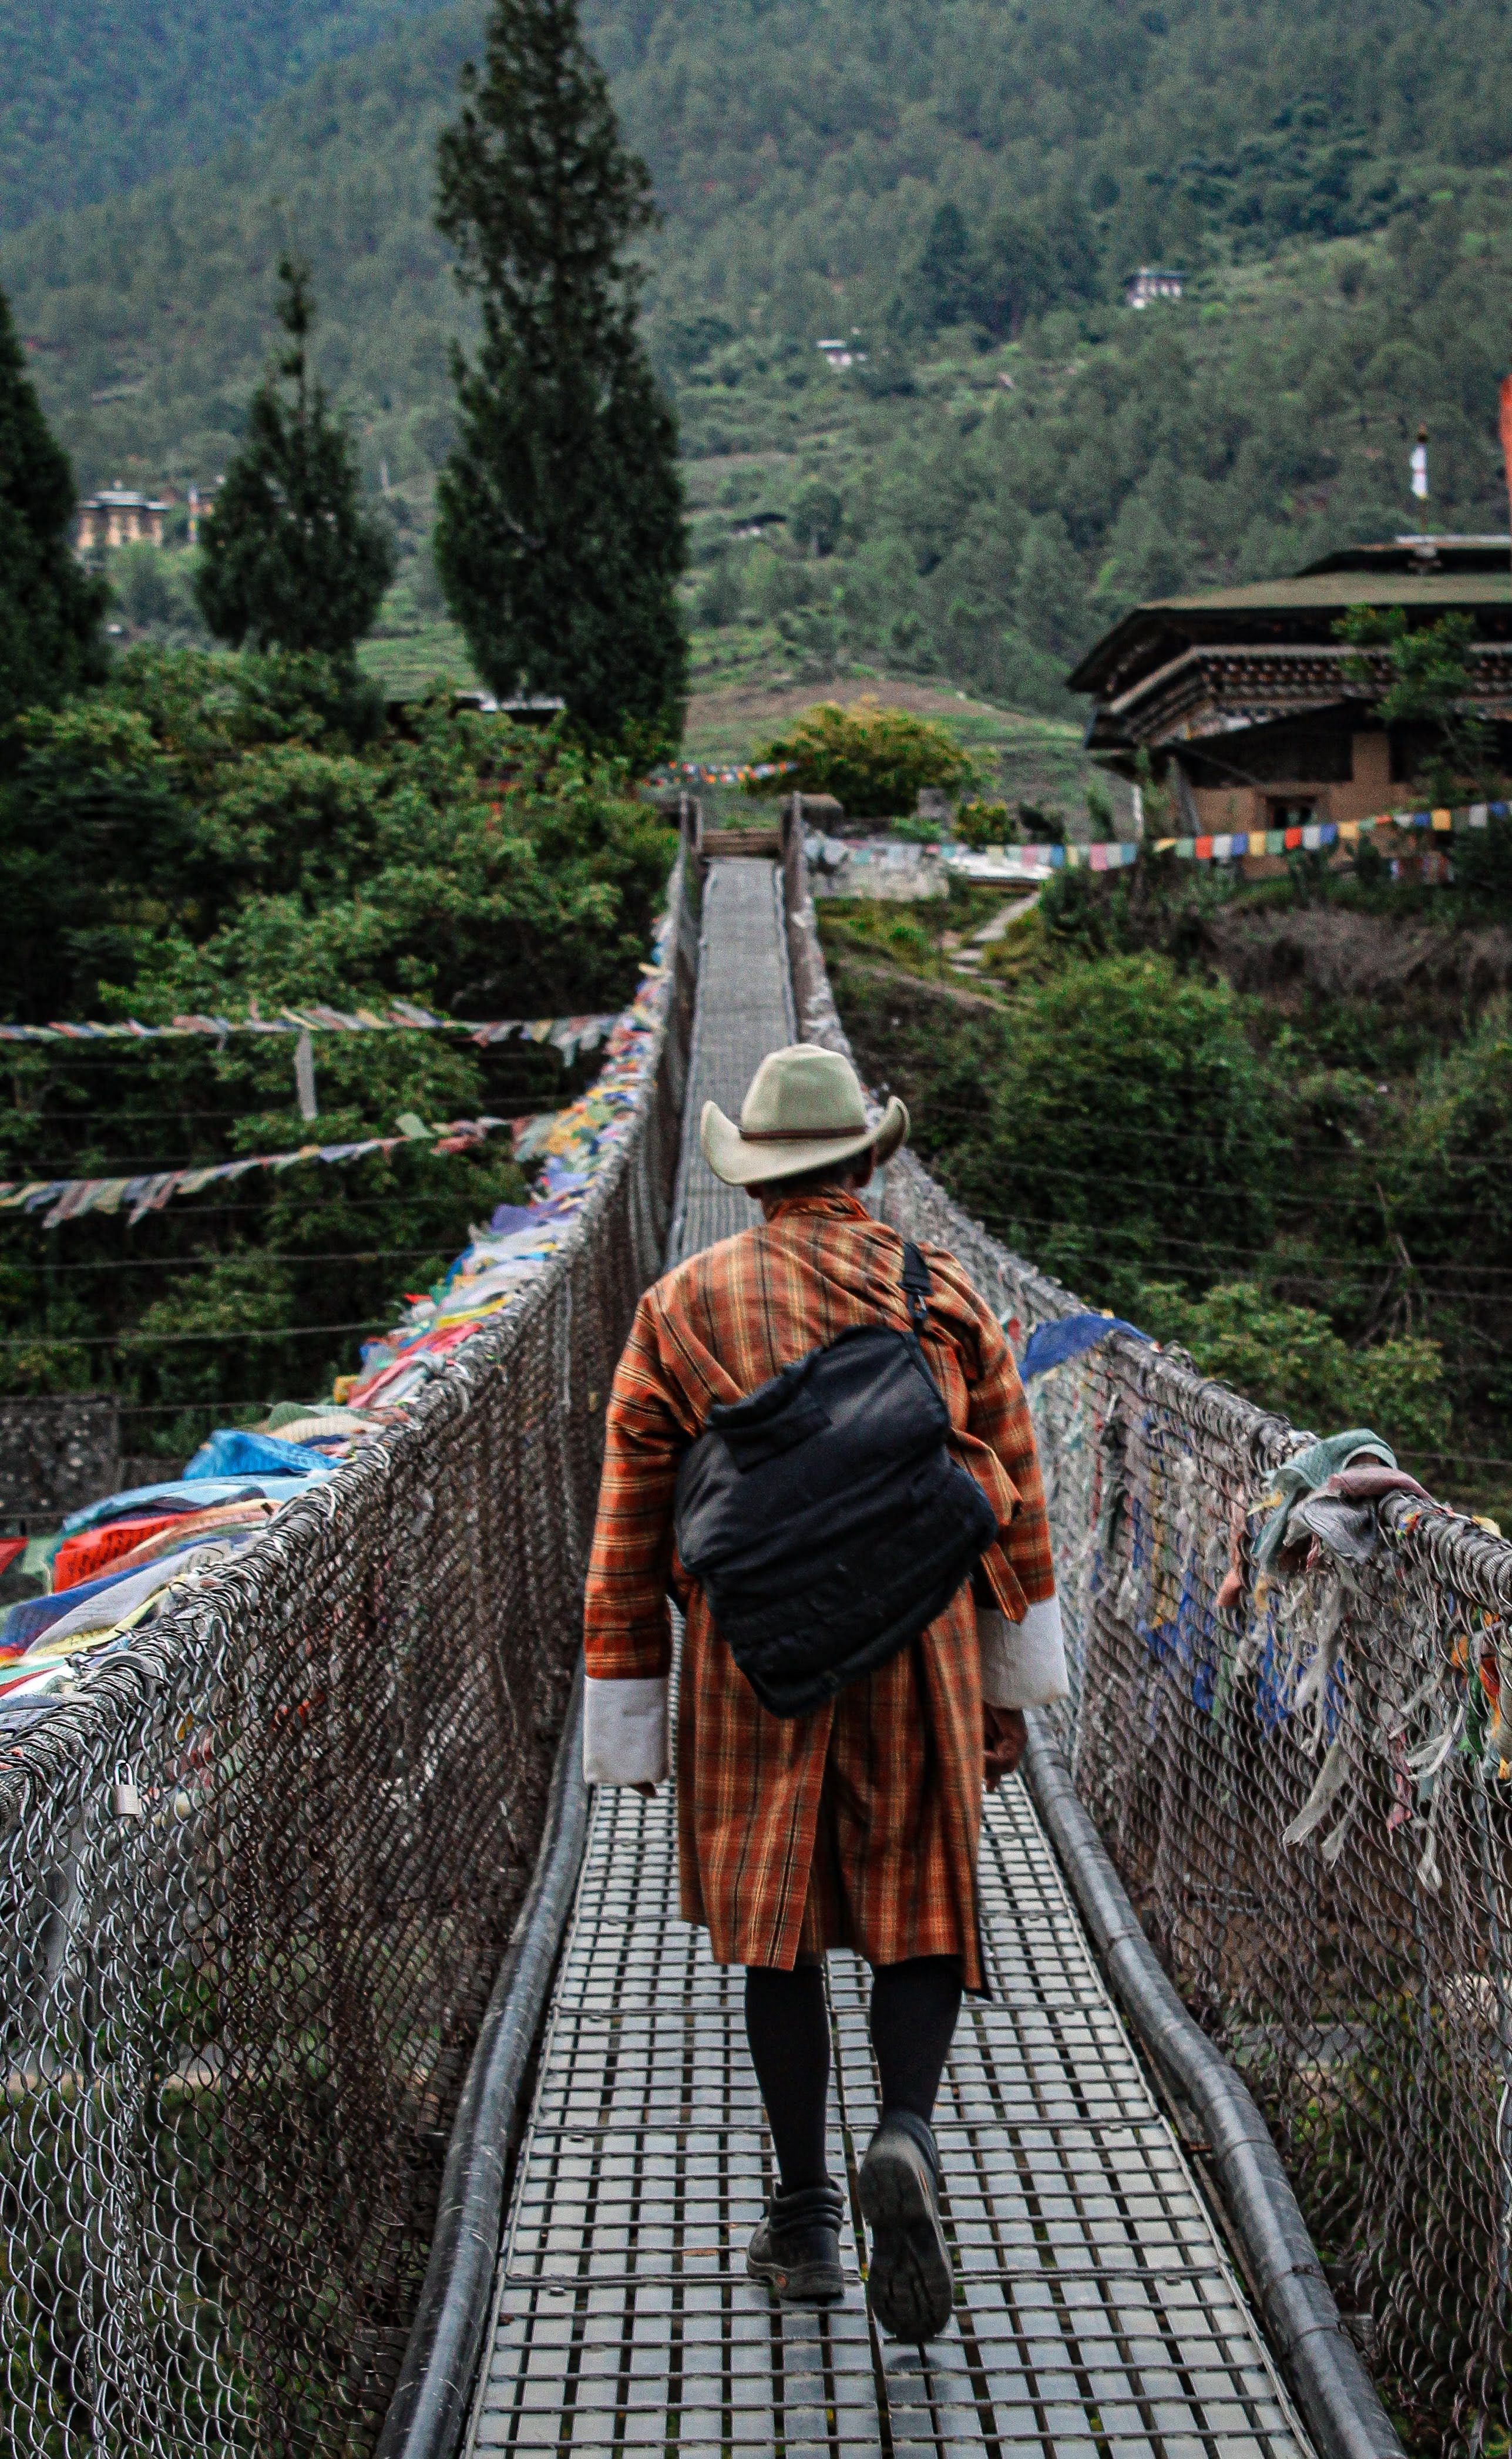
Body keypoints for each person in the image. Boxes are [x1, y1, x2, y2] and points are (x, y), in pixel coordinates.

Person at [583, 1042, 1064, 2341]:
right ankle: (904, 2130)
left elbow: (631, 1522)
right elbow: (1013, 1490)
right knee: (919, 1902)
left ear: (757, 1178)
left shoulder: (680, 1304)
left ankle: (802, 2222)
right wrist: (1012, 1680)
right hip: (923, 1644)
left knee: (773, 1925)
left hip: (755, 1660)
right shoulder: (942, 1286)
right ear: (867, 1161)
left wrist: (629, 1698)